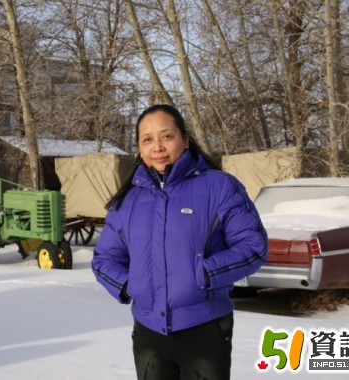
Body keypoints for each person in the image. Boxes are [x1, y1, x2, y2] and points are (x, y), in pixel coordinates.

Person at [92, 104, 268, 380]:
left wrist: (204, 274)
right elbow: (104, 259)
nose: (158, 146)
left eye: (167, 136)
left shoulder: (219, 186)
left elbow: (252, 247)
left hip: (205, 329)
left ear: (185, 140)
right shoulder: (128, 200)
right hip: (148, 332)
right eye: (147, 139)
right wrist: (128, 284)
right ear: (139, 148)